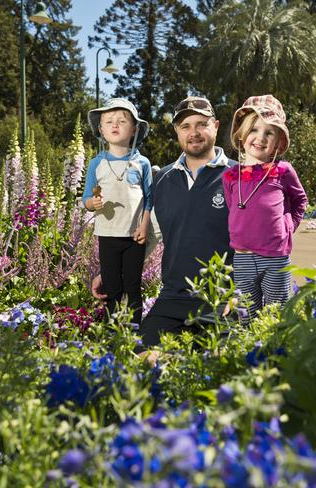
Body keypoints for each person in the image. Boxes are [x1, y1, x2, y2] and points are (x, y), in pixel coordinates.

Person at [92, 96, 237, 348]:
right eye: (185, 126)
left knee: (212, 368)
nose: (194, 133)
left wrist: (240, 294)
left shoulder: (237, 176)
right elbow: (148, 236)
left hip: (221, 301)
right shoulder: (163, 180)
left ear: (215, 125)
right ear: (177, 132)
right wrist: (112, 270)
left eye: (201, 124)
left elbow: (254, 245)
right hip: (172, 300)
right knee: (136, 358)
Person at [222, 95, 308, 317]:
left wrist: (288, 226)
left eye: (269, 132)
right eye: (254, 130)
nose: (260, 138)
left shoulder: (283, 170)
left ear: (278, 142)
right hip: (242, 258)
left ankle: (274, 352)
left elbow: (300, 200)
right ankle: (248, 353)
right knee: (246, 314)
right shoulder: (231, 176)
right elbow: (235, 209)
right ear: (241, 135)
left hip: (275, 256)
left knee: (275, 315)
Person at [82, 98, 153, 326]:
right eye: (109, 121)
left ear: (134, 129)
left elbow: (149, 200)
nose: (115, 125)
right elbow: (86, 199)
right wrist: (94, 203)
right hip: (107, 234)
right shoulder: (96, 164)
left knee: (132, 286)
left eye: (122, 121)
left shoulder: (142, 163)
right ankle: (114, 332)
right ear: (101, 130)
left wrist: (144, 225)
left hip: (134, 237)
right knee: (112, 287)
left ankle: (134, 331)